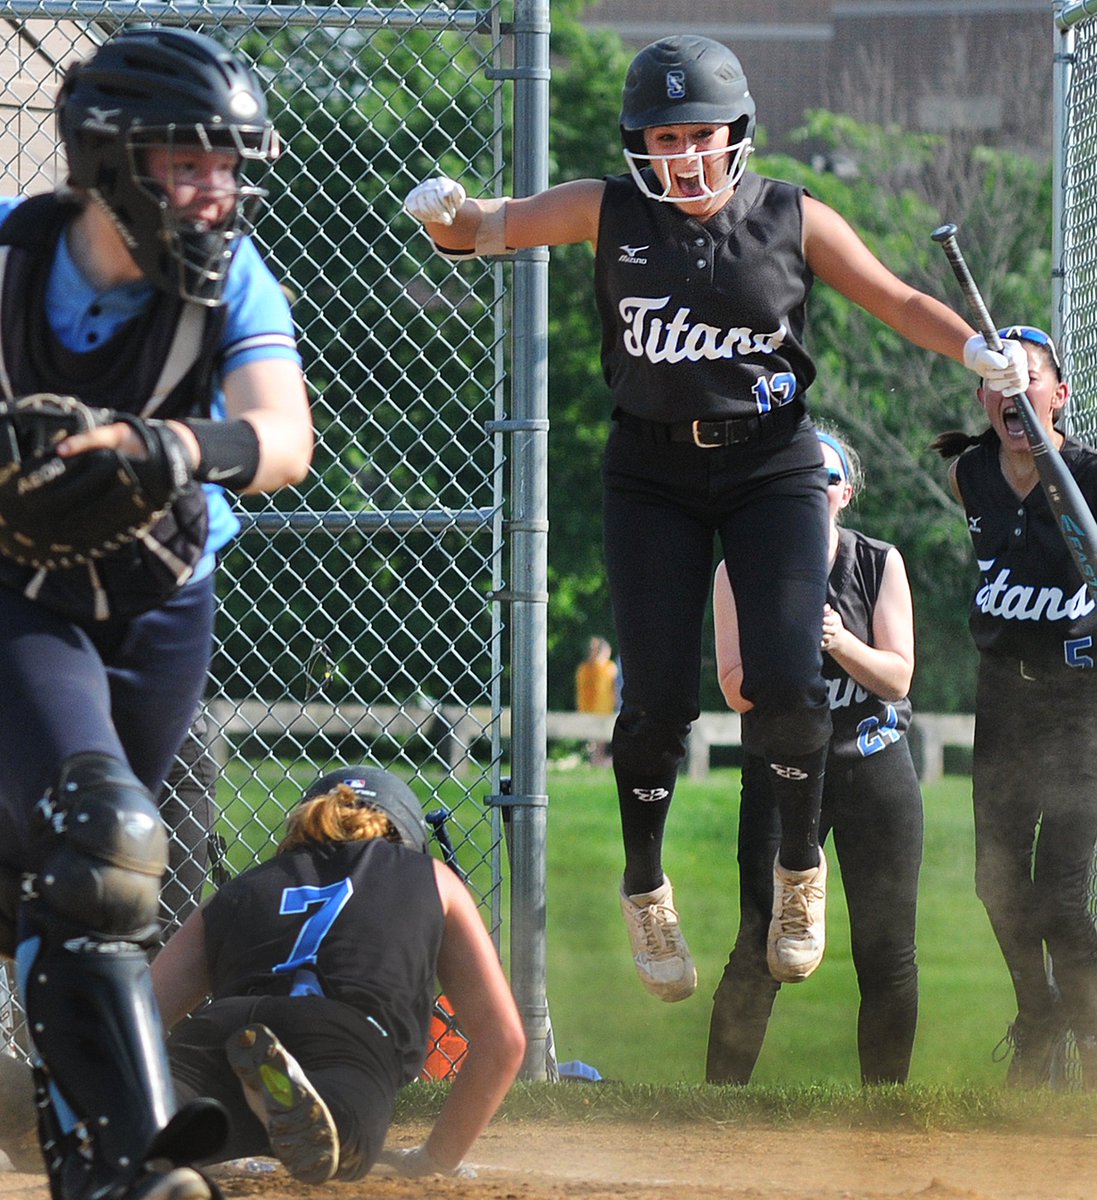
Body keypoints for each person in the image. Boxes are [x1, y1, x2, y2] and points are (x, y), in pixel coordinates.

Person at [404, 34, 1026, 1000]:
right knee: (656, 703)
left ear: (736, 134)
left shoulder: (791, 214)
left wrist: (975, 349)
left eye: (701, 134)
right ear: (635, 142)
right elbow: (487, 228)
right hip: (648, 471)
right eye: (663, 137)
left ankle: (795, 873)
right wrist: (446, 213)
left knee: (785, 681)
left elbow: (898, 298)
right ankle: (646, 887)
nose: (684, 156)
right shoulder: (609, 206)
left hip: (772, 464)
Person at [0, 27, 313, 1200]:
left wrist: (173, 445)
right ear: (108, 162)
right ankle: (130, 1171)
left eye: (227, 166)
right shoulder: (14, 261)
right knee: (101, 841)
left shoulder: (233, 277)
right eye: (186, 164)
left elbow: (284, 438)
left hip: (162, 606)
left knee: (87, 891)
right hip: (25, 597)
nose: (213, 190)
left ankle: (91, 1159)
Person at [151, 765, 526, 1182]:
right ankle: (299, 1097)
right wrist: (436, 1158)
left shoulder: (240, 889)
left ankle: (133, 1127)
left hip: (222, 1032)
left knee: (158, 1120)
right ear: (408, 837)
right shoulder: (434, 878)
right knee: (341, 1133)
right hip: (346, 1035)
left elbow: (142, 1015)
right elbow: (503, 1041)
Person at [706, 428, 922, 1085]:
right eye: (795, 478)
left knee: (886, 951)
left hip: (871, 763)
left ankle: (882, 1108)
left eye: (823, 479)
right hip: (781, 766)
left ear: (843, 495)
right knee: (760, 941)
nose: (810, 489)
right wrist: (785, 636)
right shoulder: (739, 568)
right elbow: (735, 689)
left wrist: (833, 641)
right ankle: (719, 1105)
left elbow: (896, 677)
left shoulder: (877, 562)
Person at [931, 325, 1097, 1089]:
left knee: (1062, 897)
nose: (1012, 391)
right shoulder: (973, 474)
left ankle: (1090, 1033)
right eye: (999, 379)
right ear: (982, 395)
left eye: (1028, 377)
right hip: (1002, 697)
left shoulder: (1091, 477)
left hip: (1078, 708)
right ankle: (1037, 1014)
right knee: (994, 879)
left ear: (1058, 397)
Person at [575, 635, 619, 765]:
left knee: (597, 743)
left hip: (598, 710)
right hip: (598, 709)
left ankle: (597, 762)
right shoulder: (605, 668)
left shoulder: (587, 668)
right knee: (597, 743)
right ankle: (598, 763)